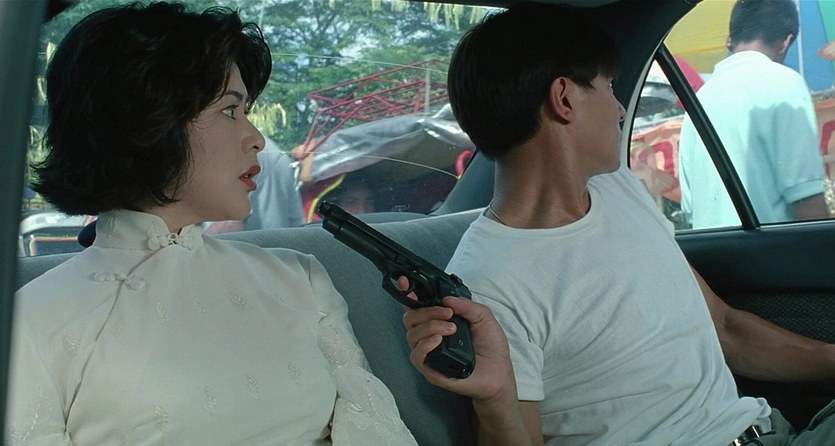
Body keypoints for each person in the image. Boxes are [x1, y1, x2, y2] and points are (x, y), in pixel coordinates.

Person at [403, 3, 835, 445]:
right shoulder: (487, 284)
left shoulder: (617, 188)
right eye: (609, 87)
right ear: (564, 99)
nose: (621, 109)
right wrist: (497, 401)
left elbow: (725, 328)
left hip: (770, 431)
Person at [6, 3, 418, 444]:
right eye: (229, 110)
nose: (256, 139)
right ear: (146, 120)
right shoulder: (30, 322)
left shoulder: (299, 277)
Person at [678, 0, 829, 228]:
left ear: (729, 39)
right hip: (773, 249)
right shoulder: (785, 83)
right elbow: (806, 199)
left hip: (710, 249)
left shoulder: (699, 100)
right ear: (785, 42)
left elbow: (690, 207)